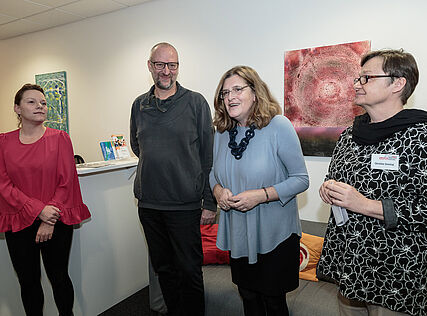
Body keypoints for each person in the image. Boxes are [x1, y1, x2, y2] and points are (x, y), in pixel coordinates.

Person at [318, 49, 427, 316]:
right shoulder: (349, 134)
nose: (356, 84)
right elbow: (334, 178)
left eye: (366, 78)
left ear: (398, 84)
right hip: (350, 267)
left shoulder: (421, 137)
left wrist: (365, 205)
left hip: (395, 274)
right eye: (358, 77)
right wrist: (328, 189)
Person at [209, 65, 309, 316]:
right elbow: (212, 173)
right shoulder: (221, 132)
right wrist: (218, 191)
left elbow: (301, 179)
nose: (230, 97)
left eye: (237, 89)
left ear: (255, 92)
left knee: (273, 303)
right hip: (238, 233)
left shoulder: (278, 126)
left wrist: (260, 195)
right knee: (248, 298)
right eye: (225, 92)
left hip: (274, 234)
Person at [130, 42, 216, 316]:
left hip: (185, 204)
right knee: (163, 269)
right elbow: (137, 145)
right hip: (149, 204)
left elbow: (208, 154)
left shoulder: (195, 102)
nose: (166, 71)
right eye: (160, 64)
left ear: (178, 67)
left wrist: (209, 201)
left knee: (189, 270)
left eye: (172, 65)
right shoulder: (139, 105)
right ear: (150, 66)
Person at [0, 84, 91, 315]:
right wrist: (38, 210)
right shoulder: (3, 142)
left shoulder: (60, 138)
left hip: (56, 219)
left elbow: (66, 181)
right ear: (17, 109)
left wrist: (48, 219)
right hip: (19, 219)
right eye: (31, 102)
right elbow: (3, 184)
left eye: (43, 102)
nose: (40, 106)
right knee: (28, 281)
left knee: (59, 277)